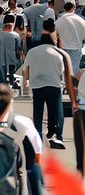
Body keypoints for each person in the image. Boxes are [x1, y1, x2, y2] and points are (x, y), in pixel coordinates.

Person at [22, 19, 75, 149]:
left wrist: (25, 86)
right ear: (54, 37)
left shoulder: (32, 51)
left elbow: (25, 72)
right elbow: (67, 76)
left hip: (37, 87)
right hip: (54, 86)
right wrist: (73, 99)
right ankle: (56, 136)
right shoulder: (60, 53)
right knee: (56, 113)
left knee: (38, 114)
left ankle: (37, 137)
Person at [0, 14, 22, 88]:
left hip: (0, 61)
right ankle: (11, 83)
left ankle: (4, 85)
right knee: (11, 73)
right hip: (13, 60)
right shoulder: (16, 35)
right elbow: (18, 48)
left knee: (2, 76)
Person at [55, 0, 85, 74]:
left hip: (63, 50)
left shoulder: (59, 21)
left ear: (64, 8)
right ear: (74, 7)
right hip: (77, 50)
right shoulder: (81, 20)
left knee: (65, 74)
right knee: (74, 75)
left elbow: (54, 34)